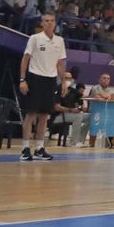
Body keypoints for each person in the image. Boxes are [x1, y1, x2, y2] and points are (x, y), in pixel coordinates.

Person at [19, 13, 69, 161]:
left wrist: (64, 81)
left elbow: (60, 63)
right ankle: (25, 148)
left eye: (51, 21)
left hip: (50, 80)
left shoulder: (60, 41)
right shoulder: (35, 38)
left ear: (55, 23)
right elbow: (25, 59)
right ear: (42, 23)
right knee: (31, 114)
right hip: (35, 78)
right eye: (46, 21)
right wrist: (23, 79)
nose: (49, 23)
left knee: (44, 115)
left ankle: (40, 148)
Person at [57, 68, 91, 147]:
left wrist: (96, 96)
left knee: (90, 117)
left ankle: (80, 140)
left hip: (72, 113)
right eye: (66, 78)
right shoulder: (58, 89)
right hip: (60, 114)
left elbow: (83, 96)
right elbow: (57, 107)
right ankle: (73, 142)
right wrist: (71, 110)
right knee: (77, 117)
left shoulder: (72, 90)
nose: (68, 80)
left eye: (70, 78)